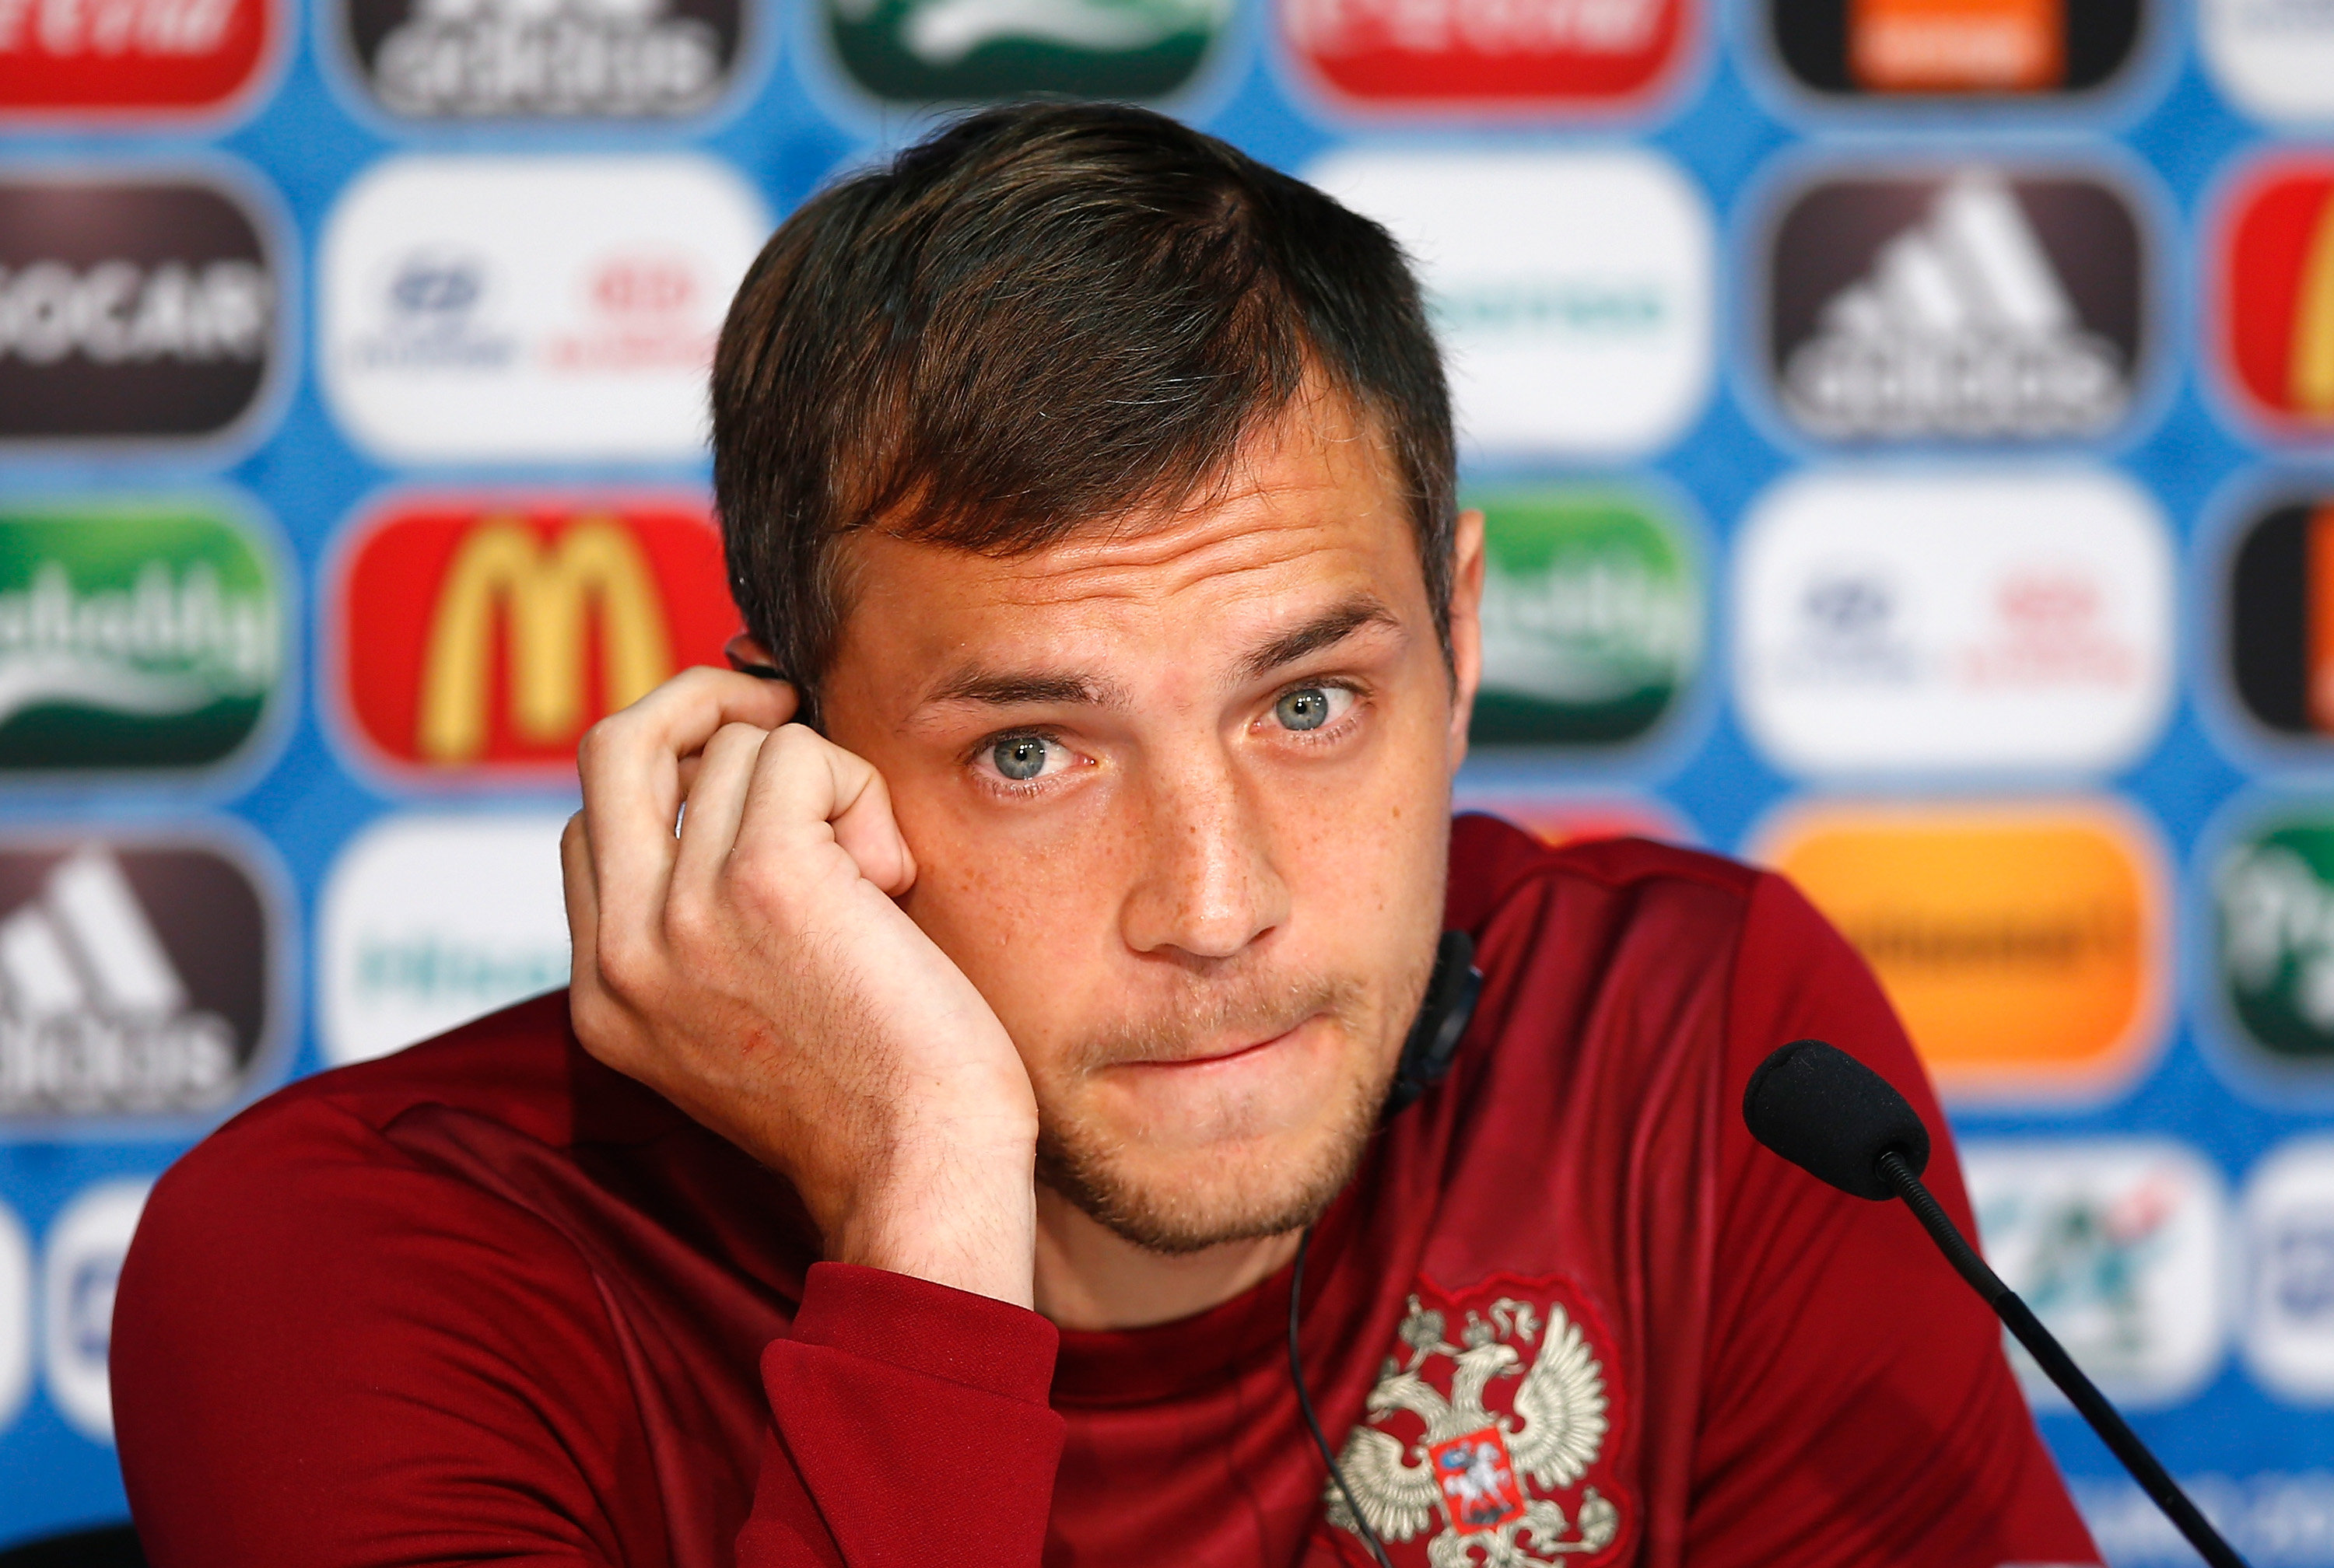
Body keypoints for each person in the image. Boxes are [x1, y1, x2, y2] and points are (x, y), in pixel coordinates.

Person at [111, 103, 2101, 1568]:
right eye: (1032, 753)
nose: (1216, 905)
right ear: (786, 761)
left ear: (1462, 646)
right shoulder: (367, 1265)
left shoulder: (1703, 1062)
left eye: (1308, 705)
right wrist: (926, 1203)